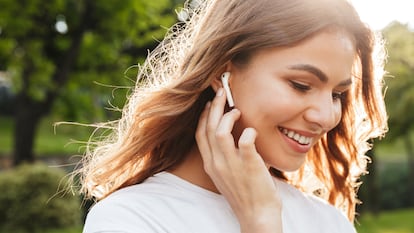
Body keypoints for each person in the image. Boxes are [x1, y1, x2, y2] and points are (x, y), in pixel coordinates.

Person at [78, 0, 388, 232]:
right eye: (301, 85)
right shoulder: (129, 219)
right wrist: (260, 222)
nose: (325, 116)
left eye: (337, 94)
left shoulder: (327, 223)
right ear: (221, 73)